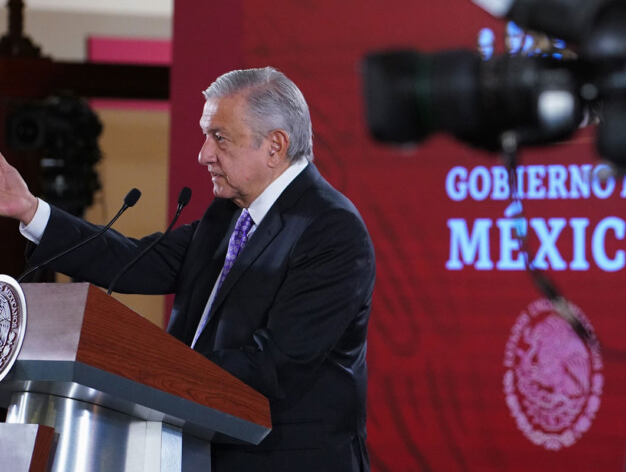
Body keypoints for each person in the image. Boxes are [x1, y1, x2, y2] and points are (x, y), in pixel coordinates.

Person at [0, 67, 376, 472]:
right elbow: (136, 263)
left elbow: (275, 366)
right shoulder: (227, 215)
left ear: (275, 146)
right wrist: (31, 210)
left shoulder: (331, 230)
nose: (204, 154)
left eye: (219, 137)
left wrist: (147, 369)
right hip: (195, 452)